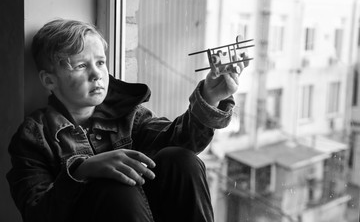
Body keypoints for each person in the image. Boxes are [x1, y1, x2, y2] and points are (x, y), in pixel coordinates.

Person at [6, 19, 247, 222]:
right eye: (81, 65)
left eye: (100, 62)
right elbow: (36, 212)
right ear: (49, 81)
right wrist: (82, 170)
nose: (97, 74)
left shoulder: (128, 114)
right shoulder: (34, 137)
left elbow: (182, 142)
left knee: (181, 160)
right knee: (113, 185)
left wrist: (211, 97)